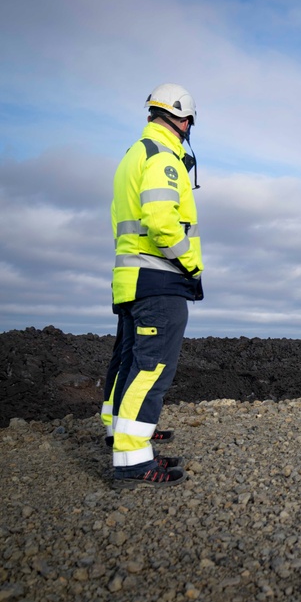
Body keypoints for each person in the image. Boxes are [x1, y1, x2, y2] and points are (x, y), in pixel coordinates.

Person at [105, 83, 203, 489]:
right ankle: (130, 461)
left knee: (129, 362)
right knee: (152, 368)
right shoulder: (164, 158)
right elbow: (162, 223)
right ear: (183, 120)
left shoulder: (135, 153)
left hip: (132, 280)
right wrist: (192, 264)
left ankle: (123, 437)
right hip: (159, 278)